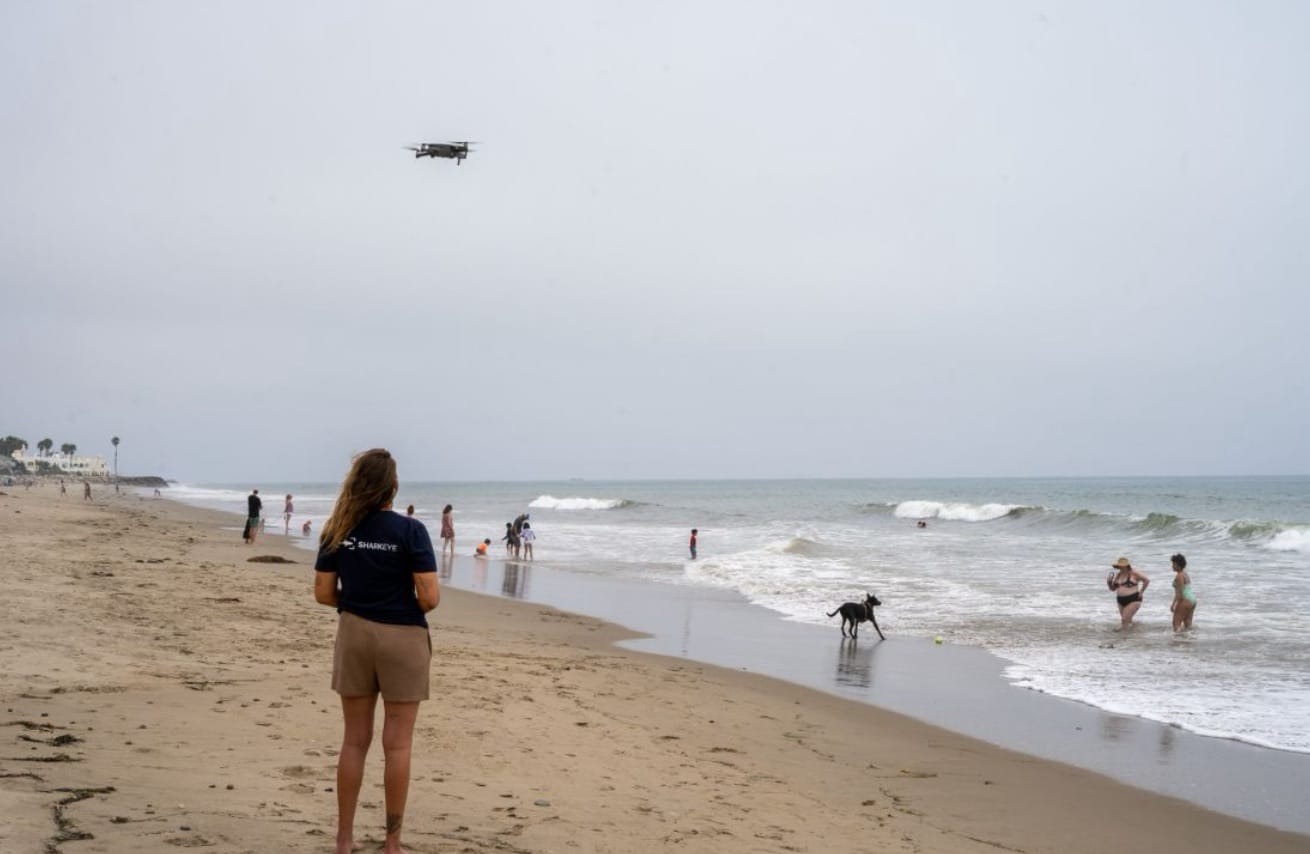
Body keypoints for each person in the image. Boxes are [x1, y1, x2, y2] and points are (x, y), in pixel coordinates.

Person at [313, 449, 439, 854]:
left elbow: (323, 593)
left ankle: (344, 839)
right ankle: (392, 843)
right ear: (393, 487)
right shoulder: (410, 530)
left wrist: (360, 604)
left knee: (354, 740)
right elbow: (430, 596)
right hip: (402, 637)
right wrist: (400, 605)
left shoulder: (336, 529)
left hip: (354, 633)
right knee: (397, 745)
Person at [1106, 557, 1149, 630]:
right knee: (1127, 620)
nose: (1120, 568)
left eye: (1122, 566)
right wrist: (1109, 582)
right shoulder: (1118, 575)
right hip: (1120, 600)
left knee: (1124, 620)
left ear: (1127, 566)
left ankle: (1122, 637)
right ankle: (1132, 635)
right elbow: (1113, 589)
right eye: (1119, 566)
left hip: (1133, 599)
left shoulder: (1134, 573)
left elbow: (1146, 580)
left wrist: (1141, 591)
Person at [1170, 553, 1197, 632]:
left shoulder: (1179, 576)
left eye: (1173, 564)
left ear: (1178, 565)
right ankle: (1188, 641)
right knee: (1188, 625)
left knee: (1176, 624)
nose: (1172, 566)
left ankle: (1178, 642)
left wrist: (1174, 604)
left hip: (1185, 599)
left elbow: (1180, 592)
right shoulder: (1185, 574)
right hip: (1192, 600)